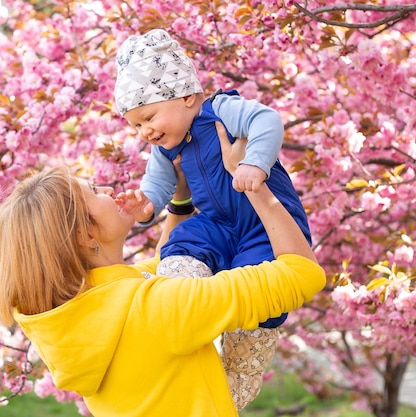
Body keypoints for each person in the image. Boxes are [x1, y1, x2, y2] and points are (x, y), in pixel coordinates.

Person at [0, 124, 325, 417]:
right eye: (93, 192)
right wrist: (252, 182)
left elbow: (162, 269)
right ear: (84, 235)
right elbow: (302, 273)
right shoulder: (158, 308)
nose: (106, 190)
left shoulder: (71, 316)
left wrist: (180, 199)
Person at [113, 28, 313, 408]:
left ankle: (242, 360)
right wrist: (146, 206)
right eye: (136, 125)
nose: (145, 132)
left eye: (149, 117)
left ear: (187, 96)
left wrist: (254, 163)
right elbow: (158, 184)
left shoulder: (219, 110)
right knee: (183, 241)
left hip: (263, 225)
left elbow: (267, 120)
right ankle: (180, 297)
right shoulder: (167, 145)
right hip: (220, 223)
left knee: (259, 285)